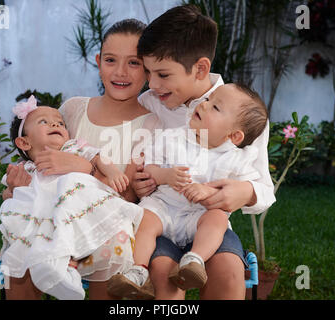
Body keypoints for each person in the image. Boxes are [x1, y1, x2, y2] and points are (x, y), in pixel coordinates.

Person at [0, 18, 161, 300]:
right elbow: (43, 158)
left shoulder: (150, 124)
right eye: (111, 60)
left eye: (134, 63)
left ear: (148, 68)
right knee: (21, 263)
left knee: (108, 264)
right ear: (98, 61)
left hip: (105, 226)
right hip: (53, 221)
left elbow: (131, 195)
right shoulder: (73, 110)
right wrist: (16, 188)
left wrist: (85, 167)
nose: (120, 72)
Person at [131, 5, 276, 299]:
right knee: (162, 273)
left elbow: (264, 189)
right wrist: (139, 182)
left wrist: (244, 191)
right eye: (148, 72)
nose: (152, 84)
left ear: (200, 68)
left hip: (207, 223)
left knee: (229, 271)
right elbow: (134, 161)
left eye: (163, 74)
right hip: (161, 219)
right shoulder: (149, 103)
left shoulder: (243, 116)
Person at [108, 83, 268, 298]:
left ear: (233, 137)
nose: (203, 105)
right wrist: (165, 176)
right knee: (146, 220)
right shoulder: (173, 137)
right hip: (164, 208)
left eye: (215, 108)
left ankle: (194, 260)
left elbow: (247, 188)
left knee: (217, 219)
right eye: (208, 100)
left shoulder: (237, 159)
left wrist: (208, 191)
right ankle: (138, 270)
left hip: (199, 217)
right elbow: (150, 166)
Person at [0, 96, 145, 300]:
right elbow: (12, 201)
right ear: (24, 142)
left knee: (69, 185)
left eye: (60, 122)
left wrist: (111, 172)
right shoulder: (26, 169)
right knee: (20, 246)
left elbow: (97, 156)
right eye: (44, 122)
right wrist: (16, 190)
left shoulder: (73, 148)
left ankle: (68, 261)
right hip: (45, 225)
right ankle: (58, 266)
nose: (55, 124)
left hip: (82, 218)